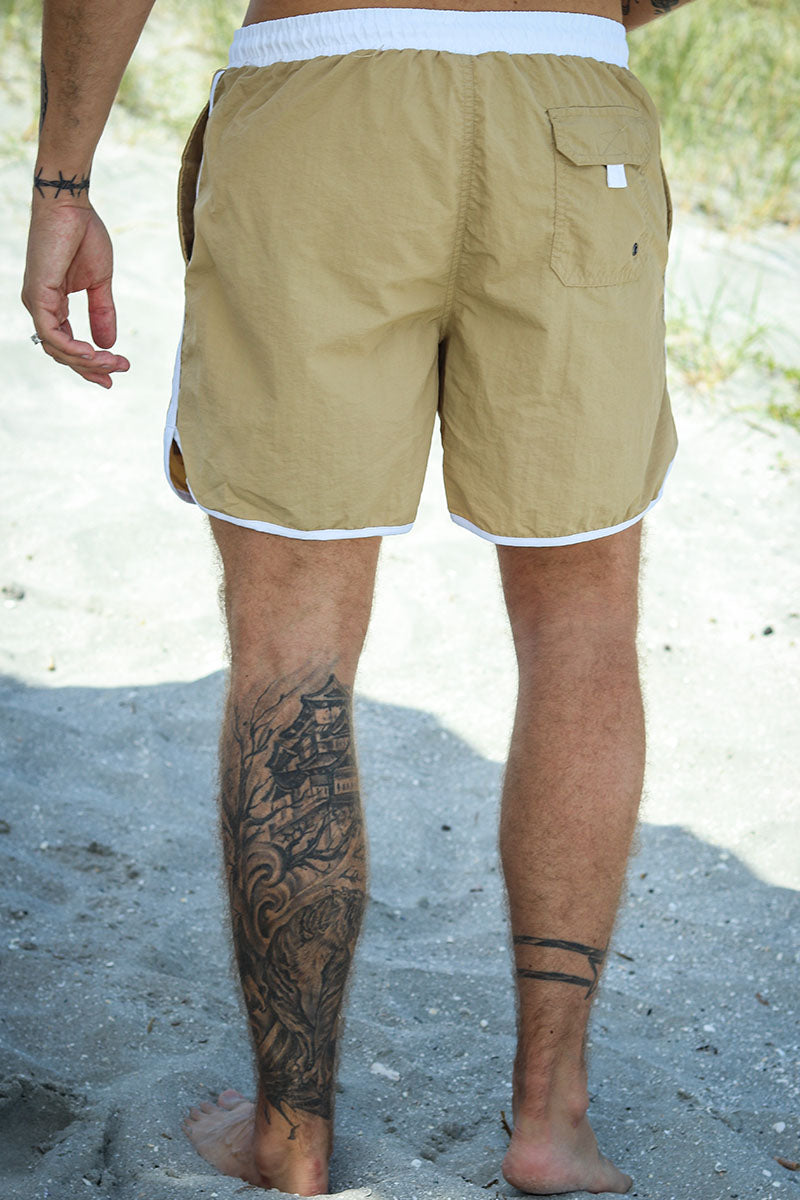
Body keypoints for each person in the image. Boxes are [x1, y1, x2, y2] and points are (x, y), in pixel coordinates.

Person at [22, 0, 697, 1193]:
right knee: (582, 630)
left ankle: (291, 1134)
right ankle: (551, 1119)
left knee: (293, 643)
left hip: (326, 86)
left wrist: (63, 181)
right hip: (569, 100)